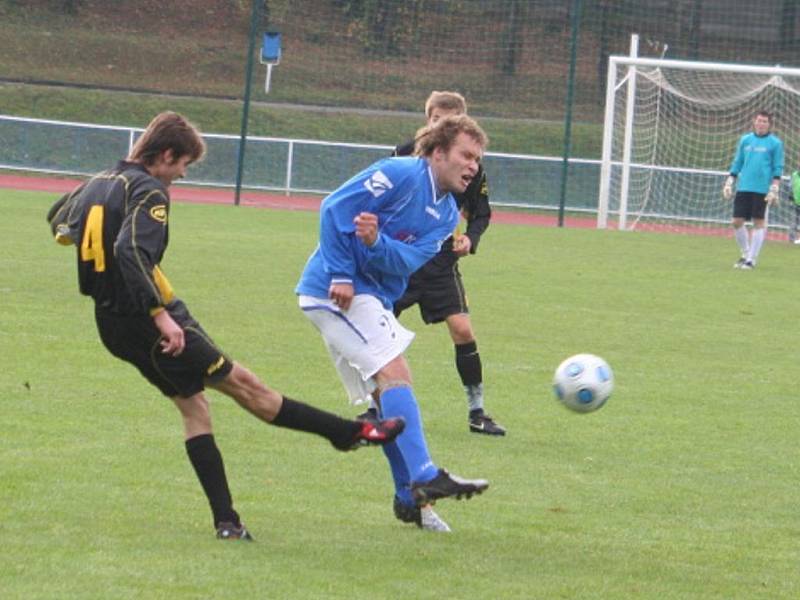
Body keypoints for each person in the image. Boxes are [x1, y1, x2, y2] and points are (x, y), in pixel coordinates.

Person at [46, 111, 405, 542]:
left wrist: (87, 239)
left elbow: (58, 221)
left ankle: (227, 521)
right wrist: (160, 315)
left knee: (194, 406)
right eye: (183, 164)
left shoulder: (101, 181)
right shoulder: (150, 190)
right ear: (165, 154)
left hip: (111, 323)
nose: (181, 174)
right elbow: (131, 250)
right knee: (247, 387)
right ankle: (347, 433)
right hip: (150, 318)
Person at [296, 114, 490, 533]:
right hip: (333, 290)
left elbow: (404, 261)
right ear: (438, 153)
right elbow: (334, 208)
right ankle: (423, 474)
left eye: (478, 159)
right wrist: (343, 274)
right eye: (466, 155)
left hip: (372, 297)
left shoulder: (445, 215)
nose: (473, 166)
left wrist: (375, 241)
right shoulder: (399, 173)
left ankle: (409, 499)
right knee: (396, 371)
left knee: (386, 397)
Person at [361, 91, 505, 436]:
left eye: (449, 121)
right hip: (399, 262)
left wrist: (470, 238)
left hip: (440, 262)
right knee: (379, 335)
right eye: (436, 119)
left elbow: (481, 213)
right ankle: (372, 409)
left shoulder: (470, 167)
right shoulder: (402, 156)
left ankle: (477, 411)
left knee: (463, 330)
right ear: (428, 119)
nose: (440, 125)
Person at [722, 110, 784, 269]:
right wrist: (730, 180)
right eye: (759, 121)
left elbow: (778, 167)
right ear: (754, 122)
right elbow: (738, 161)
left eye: (765, 121)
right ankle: (745, 253)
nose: (761, 124)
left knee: (758, 223)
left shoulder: (775, 143)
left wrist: (774, 187)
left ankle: (751, 259)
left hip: (762, 189)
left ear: (769, 124)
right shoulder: (745, 140)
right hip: (744, 187)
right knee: (736, 222)